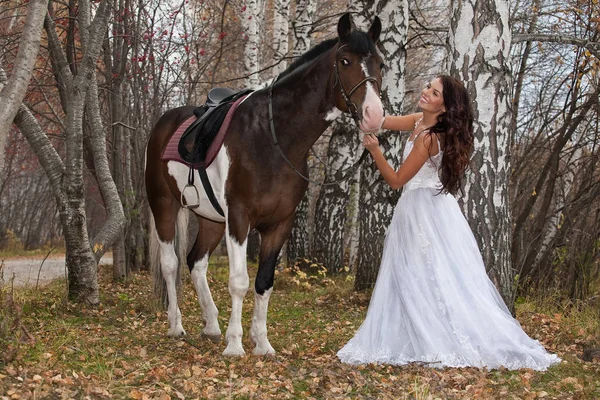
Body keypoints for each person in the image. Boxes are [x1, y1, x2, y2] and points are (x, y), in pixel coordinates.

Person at [337, 75, 560, 370]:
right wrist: (367, 113)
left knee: (430, 274)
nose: (426, 92)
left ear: (445, 106)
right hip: (423, 208)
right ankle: (412, 332)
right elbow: (388, 121)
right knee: (415, 274)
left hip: (423, 211)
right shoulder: (420, 120)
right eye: (428, 87)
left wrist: (375, 151)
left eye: (435, 92)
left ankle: (438, 334)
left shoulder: (429, 139)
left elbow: (396, 180)